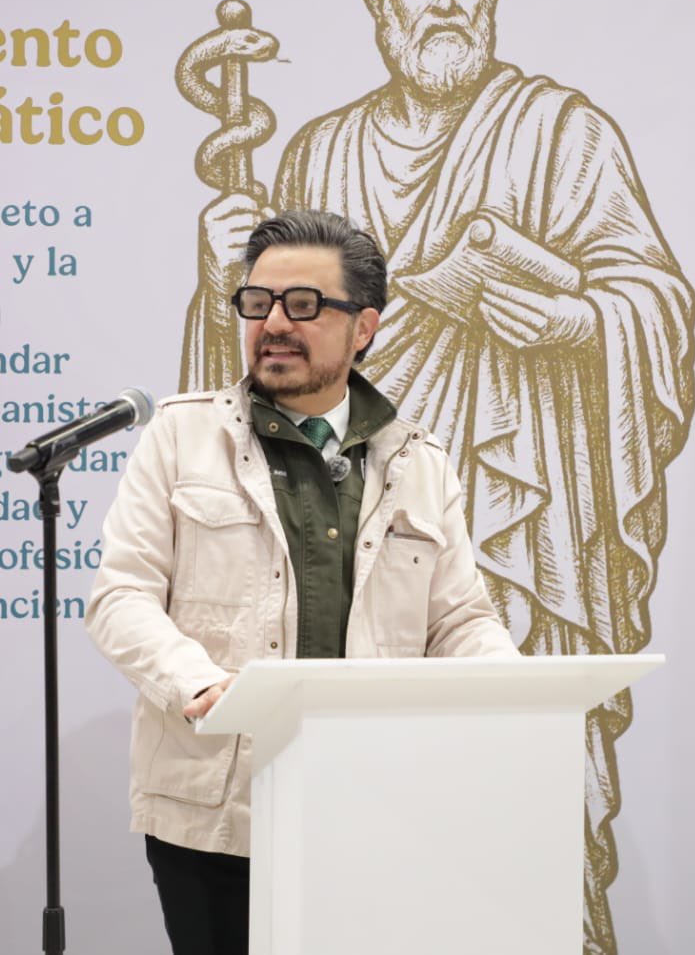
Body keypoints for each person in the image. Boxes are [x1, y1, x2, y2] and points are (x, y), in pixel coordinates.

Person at [179, 0, 695, 952]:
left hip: (525, 526)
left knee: (523, 813)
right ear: (380, 4)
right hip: (347, 530)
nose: (447, 3)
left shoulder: (562, 132)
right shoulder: (321, 149)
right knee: (355, 833)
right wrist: (215, 276)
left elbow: (655, 302)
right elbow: (260, 357)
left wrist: (579, 321)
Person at [88, 209, 518, 954]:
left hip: (375, 803)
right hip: (217, 809)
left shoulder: (419, 459)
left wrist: (512, 694)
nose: (275, 323)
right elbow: (121, 597)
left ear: (365, 327)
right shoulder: (184, 437)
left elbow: (458, 621)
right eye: (258, 304)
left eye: (304, 305)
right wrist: (198, 684)